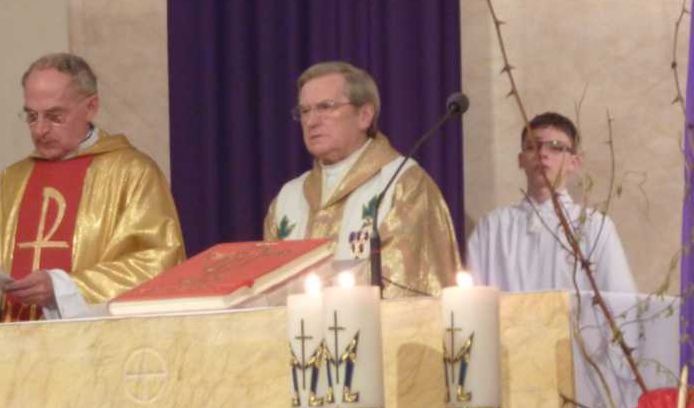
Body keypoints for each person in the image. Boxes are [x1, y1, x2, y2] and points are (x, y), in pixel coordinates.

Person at [0, 52, 185, 320]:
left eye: (54, 116)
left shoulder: (133, 173)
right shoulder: (14, 179)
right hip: (14, 339)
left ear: (91, 107)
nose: (40, 130)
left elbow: (158, 263)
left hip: (92, 341)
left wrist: (62, 289)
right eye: (32, 116)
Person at [264, 61, 461, 298]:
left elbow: (407, 286)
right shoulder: (288, 198)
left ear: (364, 116)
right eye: (305, 111)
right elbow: (266, 294)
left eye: (326, 107)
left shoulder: (402, 184)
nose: (311, 121)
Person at [466, 112, 636, 293]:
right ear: (521, 160)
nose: (542, 153)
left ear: (574, 162)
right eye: (532, 146)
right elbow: (471, 299)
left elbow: (620, 300)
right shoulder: (492, 227)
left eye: (555, 147)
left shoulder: (594, 225)